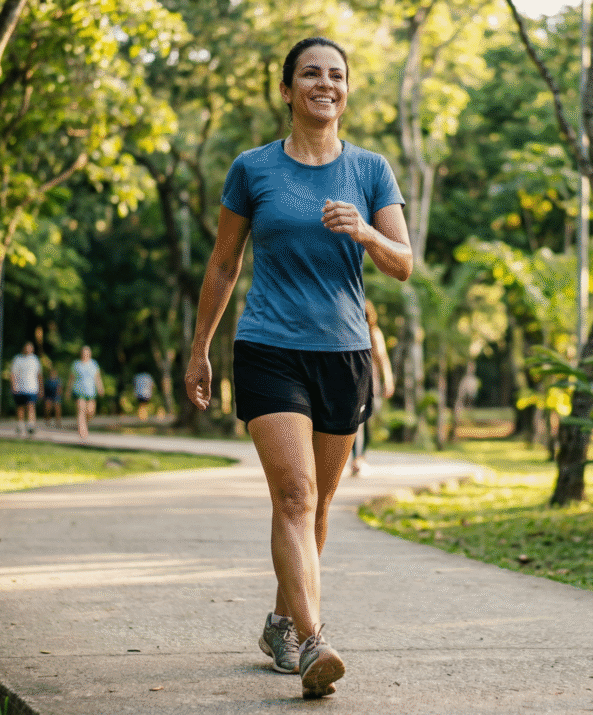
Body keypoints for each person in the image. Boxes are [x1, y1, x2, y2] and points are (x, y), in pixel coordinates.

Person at [183, 37, 412, 700]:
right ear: (287, 90)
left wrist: (366, 232)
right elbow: (224, 264)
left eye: (336, 75)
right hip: (268, 348)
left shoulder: (371, 170)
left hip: (343, 354)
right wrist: (199, 347)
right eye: (310, 73)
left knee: (320, 505)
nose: (324, 83)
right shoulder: (252, 169)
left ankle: (282, 620)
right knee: (295, 494)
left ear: (347, 90)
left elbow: (403, 261)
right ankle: (315, 639)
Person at [349, 300, 394, 477]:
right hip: (352, 383)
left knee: (363, 422)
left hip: (369, 383)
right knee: (353, 422)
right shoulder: (350, 331)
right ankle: (356, 458)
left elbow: (382, 358)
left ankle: (360, 458)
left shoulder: (374, 334)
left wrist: (388, 380)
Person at [68, 345, 104, 439]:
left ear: (89, 354)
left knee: (90, 412)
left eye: (87, 352)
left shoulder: (93, 364)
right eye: (83, 352)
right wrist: (68, 391)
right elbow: (71, 379)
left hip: (91, 392)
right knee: (81, 410)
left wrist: (100, 388)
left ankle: (84, 425)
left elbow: (97, 378)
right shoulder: (76, 364)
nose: (85, 354)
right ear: (81, 353)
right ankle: (82, 430)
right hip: (79, 391)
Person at [9, 342, 42, 437]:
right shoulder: (18, 359)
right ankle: (20, 425)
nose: (28, 349)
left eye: (30, 348)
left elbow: (39, 375)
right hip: (20, 388)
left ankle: (31, 426)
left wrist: (41, 388)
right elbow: (13, 374)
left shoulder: (35, 360)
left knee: (31, 406)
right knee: (20, 408)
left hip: (32, 387)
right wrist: (14, 385)